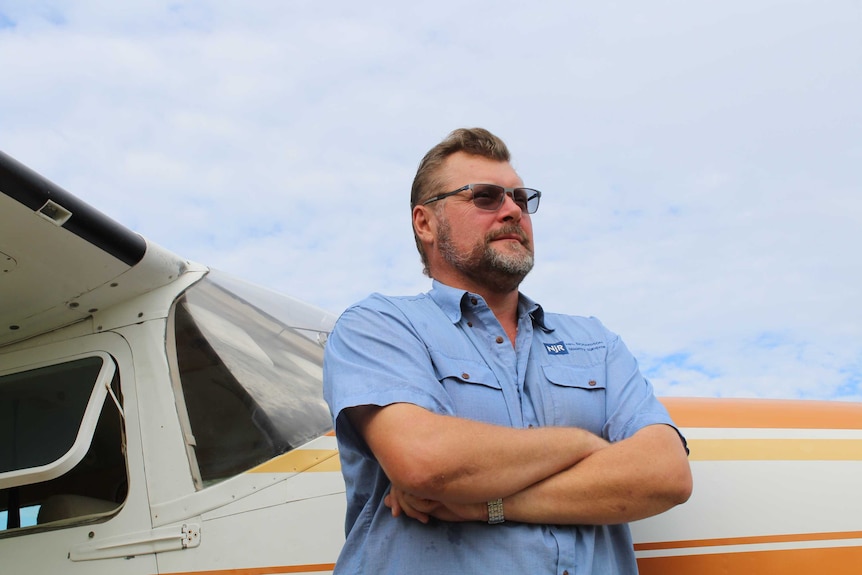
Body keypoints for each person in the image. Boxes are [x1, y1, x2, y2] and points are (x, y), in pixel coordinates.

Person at [323, 127, 692, 574]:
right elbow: (425, 463)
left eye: (521, 198)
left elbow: (667, 475)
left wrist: (485, 505)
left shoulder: (596, 342)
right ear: (425, 223)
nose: (513, 210)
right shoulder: (379, 326)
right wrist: (586, 443)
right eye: (485, 197)